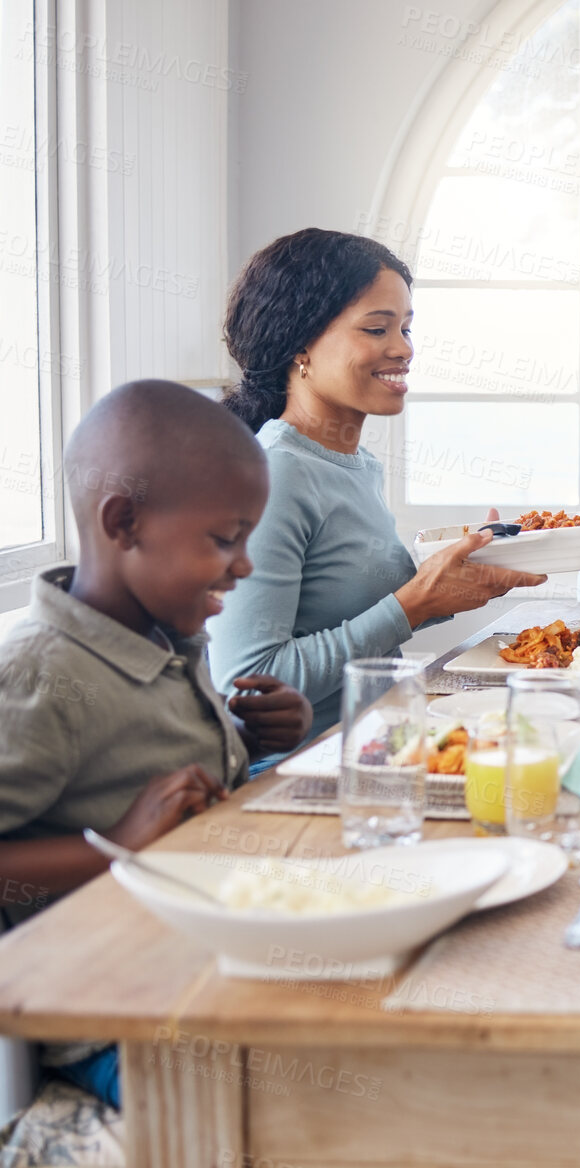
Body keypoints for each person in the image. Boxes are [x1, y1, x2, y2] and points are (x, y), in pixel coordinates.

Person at [0, 380, 315, 1106]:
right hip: (116, 1012)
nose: (244, 566)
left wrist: (252, 735)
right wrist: (114, 845)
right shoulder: (40, 677)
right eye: (224, 539)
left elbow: (152, 756)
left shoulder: (166, 630)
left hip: (209, 950)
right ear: (125, 523)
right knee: (286, 1105)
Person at [210, 229, 545, 749]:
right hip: (295, 775)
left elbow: (352, 603)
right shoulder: (276, 474)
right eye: (376, 328)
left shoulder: (353, 463)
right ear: (299, 343)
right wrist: (413, 605)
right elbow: (247, 686)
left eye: (407, 329)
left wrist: (455, 577)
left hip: (376, 746)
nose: (402, 349)